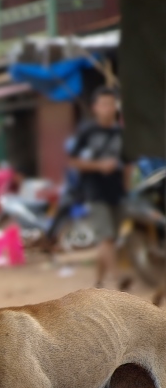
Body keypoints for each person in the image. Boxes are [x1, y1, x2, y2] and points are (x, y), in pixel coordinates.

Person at [68, 86, 130, 287]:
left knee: (110, 239)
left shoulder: (121, 132)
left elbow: (128, 161)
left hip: (117, 191)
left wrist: (127, 186)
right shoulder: (87, 132)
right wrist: (98, 166)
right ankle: (117, 279)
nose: (108, 108)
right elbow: (73, 161)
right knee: (107, 236)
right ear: (95, 107)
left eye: (112, 104)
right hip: (94, 191)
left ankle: (98, 281)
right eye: (104, 104)